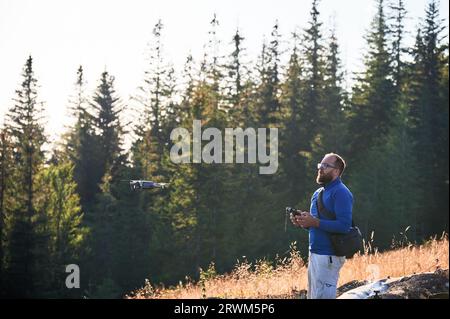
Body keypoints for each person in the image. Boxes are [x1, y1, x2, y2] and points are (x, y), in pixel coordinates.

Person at [290, 153, 353, 299]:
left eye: (326, 166)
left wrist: (315, 222)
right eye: (320, 165)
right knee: (314, 296)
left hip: (329, 255)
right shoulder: (318, 193)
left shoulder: (342, 192)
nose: (320, 168)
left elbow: (344, 226)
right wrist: (303, 222)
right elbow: (316, 224)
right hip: (315, 253)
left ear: (336, 171)